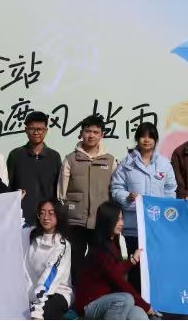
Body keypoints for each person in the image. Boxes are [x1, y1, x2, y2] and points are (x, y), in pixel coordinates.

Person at [110, 122, 176, 291]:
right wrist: (127, 197)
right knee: (135, 266)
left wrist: (165, 210)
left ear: (155, 140)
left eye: (150, 137)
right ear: (137, 139)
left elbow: (170, 190)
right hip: (133, 227)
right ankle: (136, 301)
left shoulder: (164, 164)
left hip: (156, 226)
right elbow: (116, 188)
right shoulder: (127, 164)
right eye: (142, 136)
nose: (146, 140)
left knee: (156, 265)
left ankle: (155, 301)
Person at [57, 114, 118, 284]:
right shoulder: (70, 159)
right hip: (75, 221)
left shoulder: (110, 160)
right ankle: (75, 293)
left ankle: (97, 293)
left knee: (100, 260)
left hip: (101, 221)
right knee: (74, 259)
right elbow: (61, 192)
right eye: (87, 131)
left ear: (102, 135)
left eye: (95, 132)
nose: (91, 135)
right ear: (81, 133)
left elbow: (114, 190)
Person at [75, 201, 159, 320]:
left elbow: (115, 271)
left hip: (109, 300)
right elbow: (120, 282)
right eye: (117, 219)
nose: (121, 223)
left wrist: (132, 261)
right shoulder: (100, 251)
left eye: (122, 219)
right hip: (89, 305)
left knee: (139, 313)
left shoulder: (112, 243)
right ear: (106, 221)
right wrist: (147, 307)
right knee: (126, 299)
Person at [8, 112, 62, 226]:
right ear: (26, 130)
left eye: (40, 129)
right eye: (32, 129)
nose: (36, 132)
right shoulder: (15, 155)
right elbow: (9, 187)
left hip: (46, 219)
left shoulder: (54, 157)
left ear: (46, 130)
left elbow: (58, 190)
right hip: (20, 218)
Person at [23, 200, 73, 320]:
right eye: (42, 213)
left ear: (58, 216)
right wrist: (15, 200)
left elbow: (50, 276)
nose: (46, 217)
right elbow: (14, 224)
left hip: (57, 292)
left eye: (51, 213)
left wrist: (37, 309)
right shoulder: (30, 234)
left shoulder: (62, 245)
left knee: (46, 312)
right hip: (33, 294)